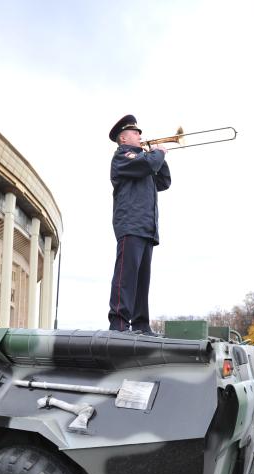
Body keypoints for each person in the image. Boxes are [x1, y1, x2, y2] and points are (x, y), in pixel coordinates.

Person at [107, 114, 171, 334]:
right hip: (131, 223)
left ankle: (141, 324)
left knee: (143, 280)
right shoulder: (123, 158)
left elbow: (164, 182)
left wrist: (161, 156)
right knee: (126, 276)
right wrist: (157, 153)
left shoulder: (143, 162)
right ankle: (119, 322)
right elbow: (148, 163)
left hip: (147, 226)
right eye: (135, 133)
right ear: (123, 139)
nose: (140, 135)